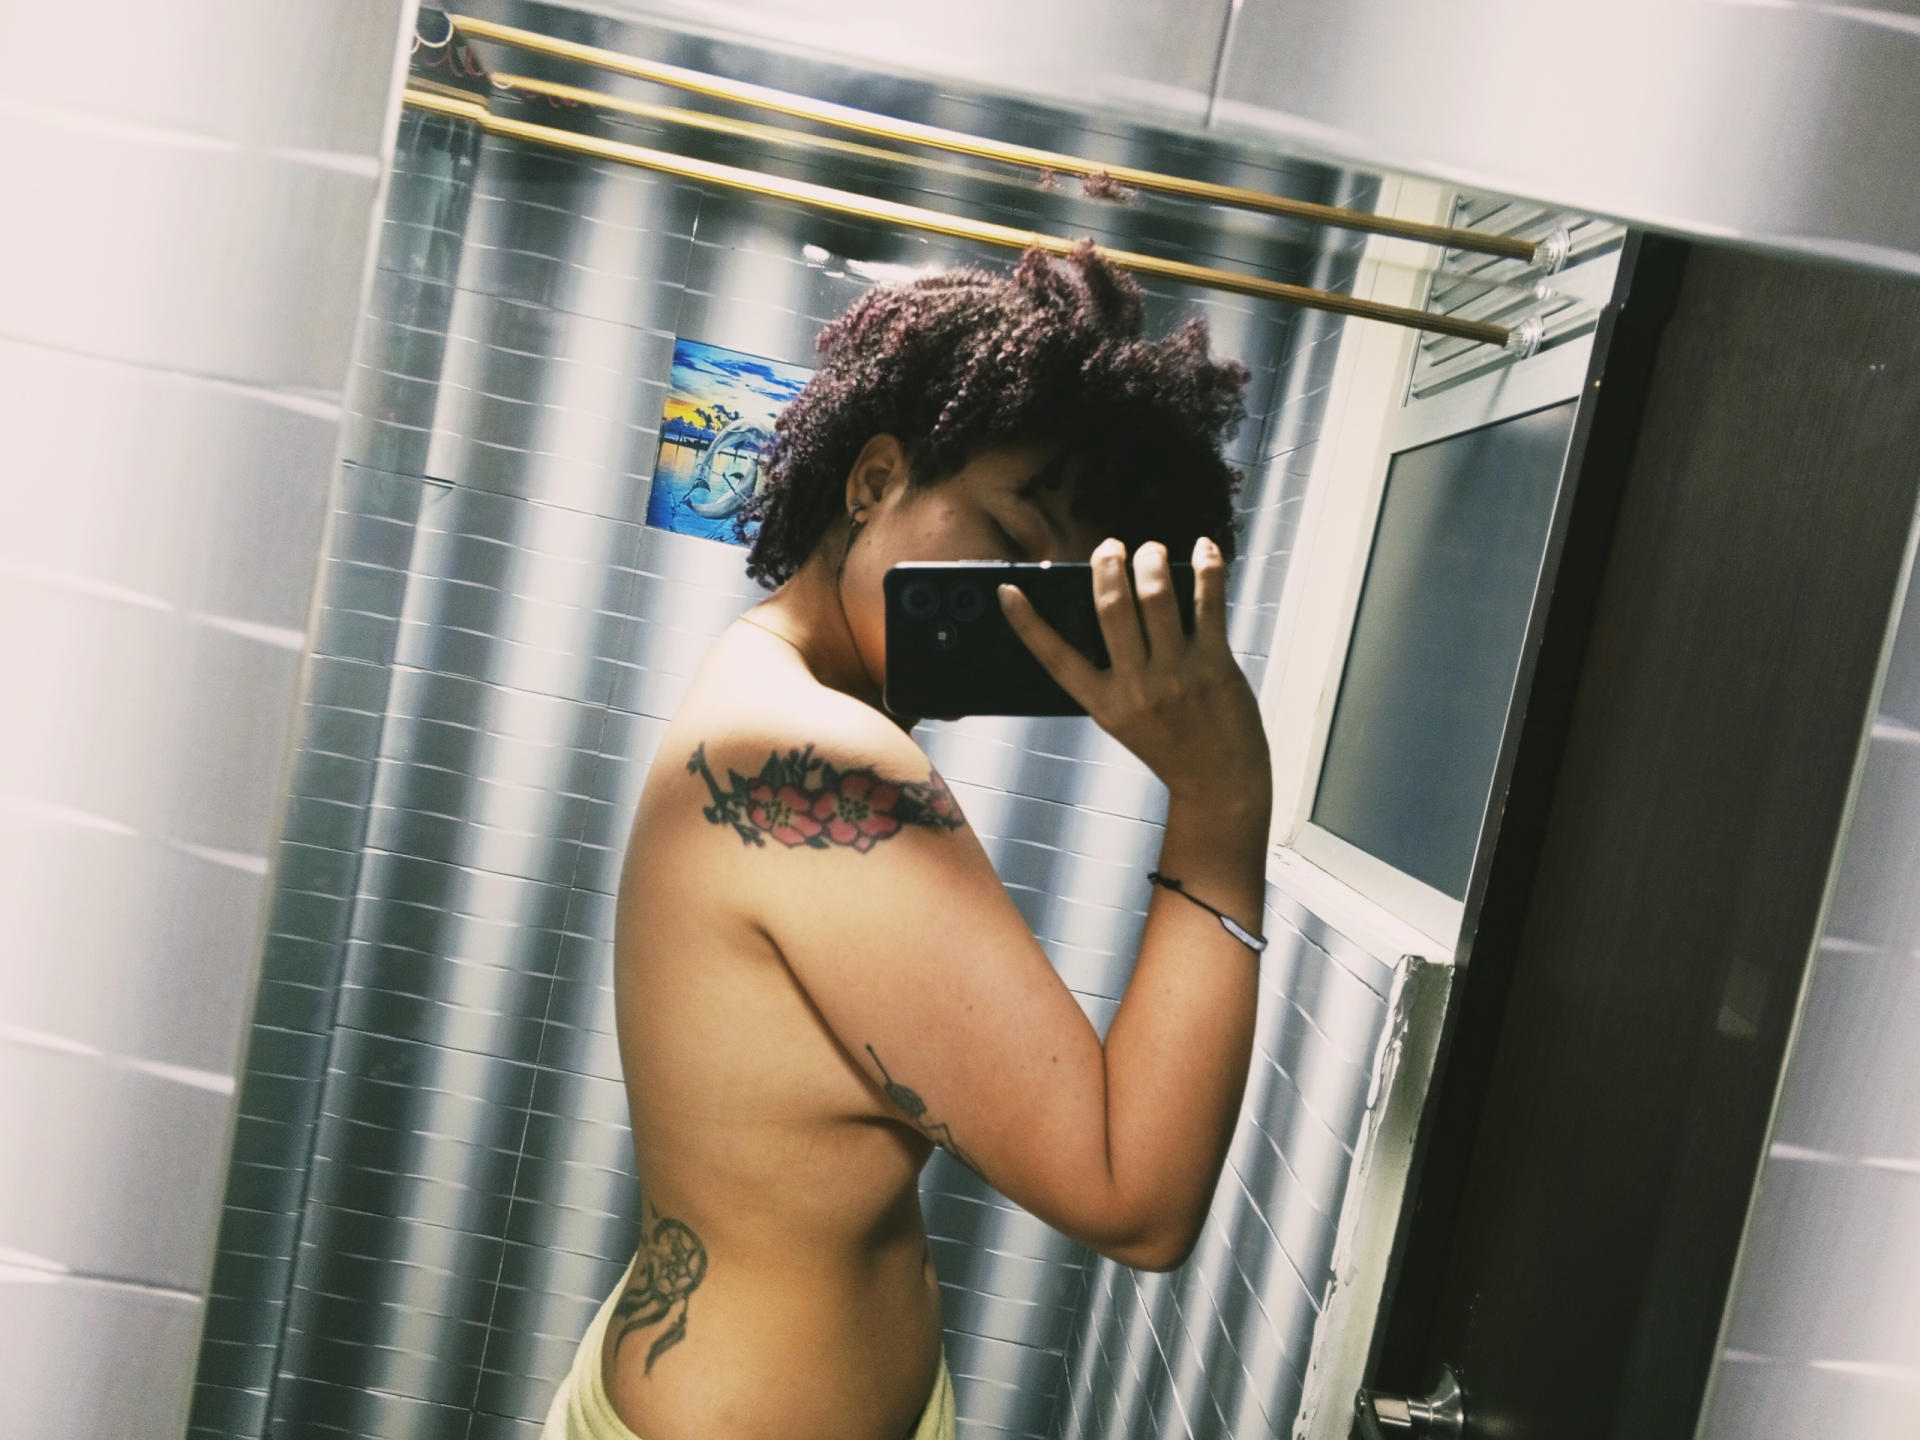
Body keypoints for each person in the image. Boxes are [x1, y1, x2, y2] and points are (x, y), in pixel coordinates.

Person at [540, 242, 1273, 1440]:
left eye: (1060, 582)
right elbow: (1134, 1195)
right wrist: (1224, 803)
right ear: (875, 478)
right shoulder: (821, 755)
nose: (1024, 606)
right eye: (1009, 541)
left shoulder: (773, 682)